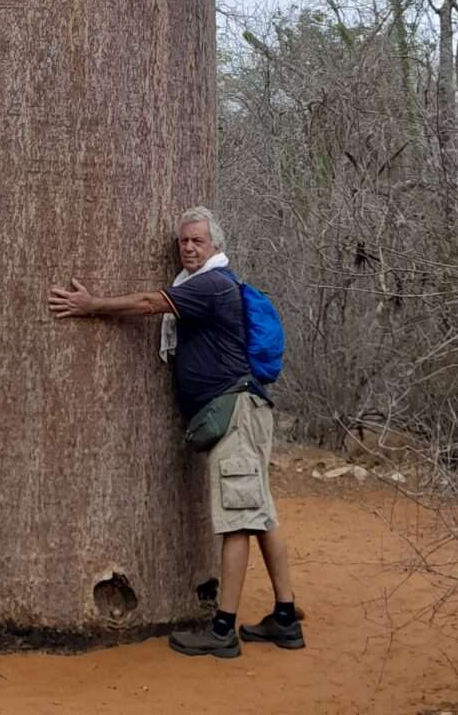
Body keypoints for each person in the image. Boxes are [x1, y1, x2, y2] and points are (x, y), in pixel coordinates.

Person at [48, 206, 304, 659]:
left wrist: (92, 306)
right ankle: (285, 618)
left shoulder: (211, 284)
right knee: (261, 514)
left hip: (236, 414)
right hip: (243, 411)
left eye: (197, 241)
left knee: (239, 520)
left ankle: (223, 629)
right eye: (183, 241)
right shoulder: (207, 284)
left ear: (215, 247)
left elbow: (149, 304)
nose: (188, 247)